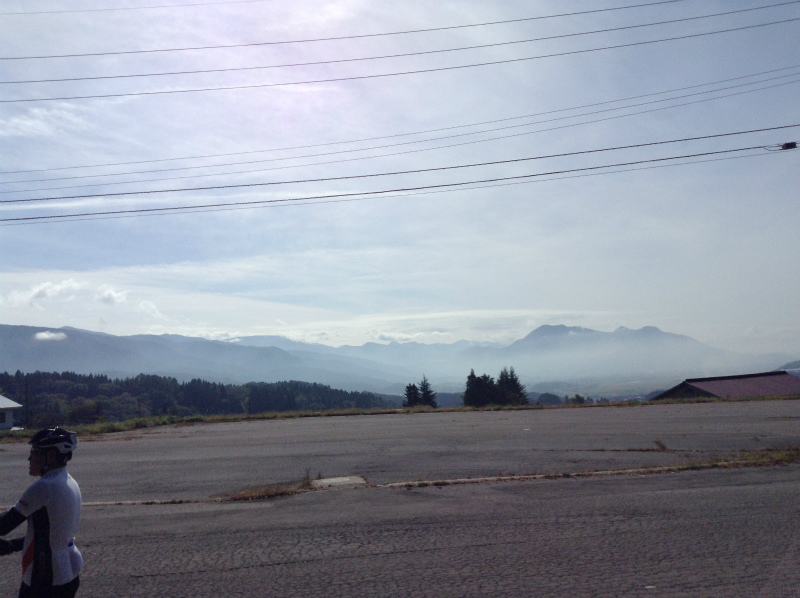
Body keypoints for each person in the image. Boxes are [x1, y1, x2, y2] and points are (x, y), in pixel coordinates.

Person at [0, 427, 83, 598]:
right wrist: (11, 545)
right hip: (68, 571)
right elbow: (50, 534)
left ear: (51, 456)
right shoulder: (69, 481)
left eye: (35, 452)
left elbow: (4, 524)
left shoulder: (44, 487)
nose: (30, 458)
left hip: (44, 576)